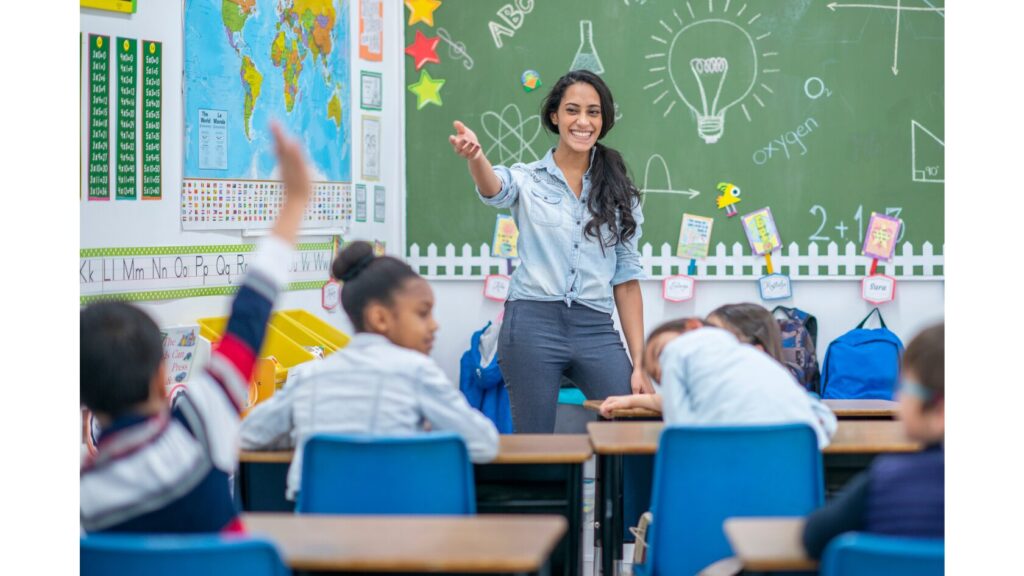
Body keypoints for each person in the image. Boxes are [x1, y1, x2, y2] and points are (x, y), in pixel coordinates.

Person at [80, 124, 312, 533]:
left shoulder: (86, 498)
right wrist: (294, 202)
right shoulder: (201, 427)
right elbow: (249, 316)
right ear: (162, 375)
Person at [449, 69, 647, 433]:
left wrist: (640, 362)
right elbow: (495, 188)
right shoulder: (528, 178)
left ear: (604, 120)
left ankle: (624, 494)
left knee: (633, 425)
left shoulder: (621, 193)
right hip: (532, 323)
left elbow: (627, 280)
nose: (583, 121)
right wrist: (476, 157)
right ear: (555, 116)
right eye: (572, 110)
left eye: (594, 112)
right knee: (534, 440)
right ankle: (542, 491)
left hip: (595, 327)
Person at [239, 241, 500, 502]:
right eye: (423, 314)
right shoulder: (417, 371)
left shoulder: (312, 375)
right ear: (380, 319)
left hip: (319, 531)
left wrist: (302, 432)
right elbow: (484, 443)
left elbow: (247, 435)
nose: (434, 325)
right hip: (401, 525)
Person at [802, 323, 944, 558]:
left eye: (905, 386)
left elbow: (813, 537)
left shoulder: (888, 478)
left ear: (940, 410)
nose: (897, 396)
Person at [606, 318, 832, 448]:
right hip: (799, 449)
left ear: (693, 326)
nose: (663, 365)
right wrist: (634, 400)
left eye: (660, 352)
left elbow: (680, 429)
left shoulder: (680, 352)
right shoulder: (744, 356)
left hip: (740, 457)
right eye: (660, 376)